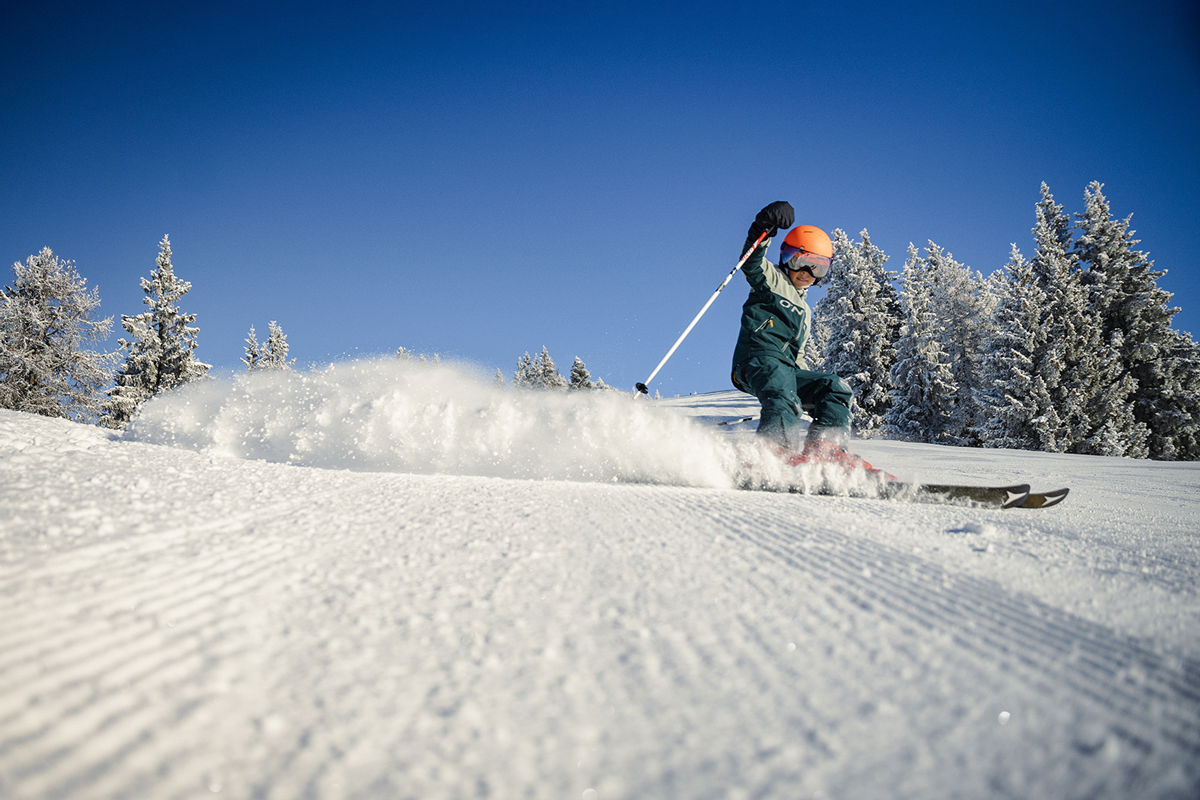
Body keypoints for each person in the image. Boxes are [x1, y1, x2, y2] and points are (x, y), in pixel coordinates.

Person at [730, 201, 885, 475]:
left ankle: (826, 449)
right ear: (786, 258)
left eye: (818, 267)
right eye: (800, 262)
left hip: (786, 371)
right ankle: (772, 451)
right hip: (758, 360)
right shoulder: (773, 281)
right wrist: (764, 227)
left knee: (833, 386)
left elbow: (797, 357)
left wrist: (806, 388)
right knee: (783, 389)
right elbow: (751, 261)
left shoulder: (805, 310)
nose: (808, 274)